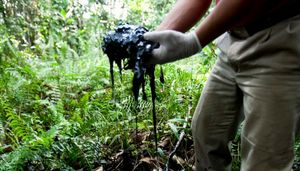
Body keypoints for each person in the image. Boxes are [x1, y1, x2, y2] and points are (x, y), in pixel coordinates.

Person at [143, 0, 300, 170]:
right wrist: (150, 42)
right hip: (234, 38)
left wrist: (194, 41)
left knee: (264, 155)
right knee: (207, 131)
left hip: (281, 38)